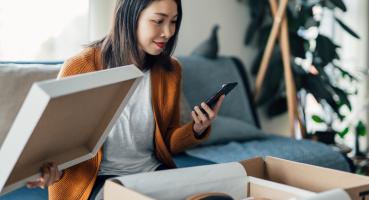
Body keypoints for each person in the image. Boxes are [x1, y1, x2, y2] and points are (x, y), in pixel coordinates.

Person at [26, 0, 224, 199]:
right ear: (129, 17)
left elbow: (167, 142)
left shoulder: (170, 71)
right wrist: (50, 171)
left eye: (174, 21)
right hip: (97, 180)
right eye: (158, 21)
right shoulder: (80, 67)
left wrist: (197, 129)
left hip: (151, 173)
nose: (169, 32)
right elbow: (57, 145)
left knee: (217, 196)